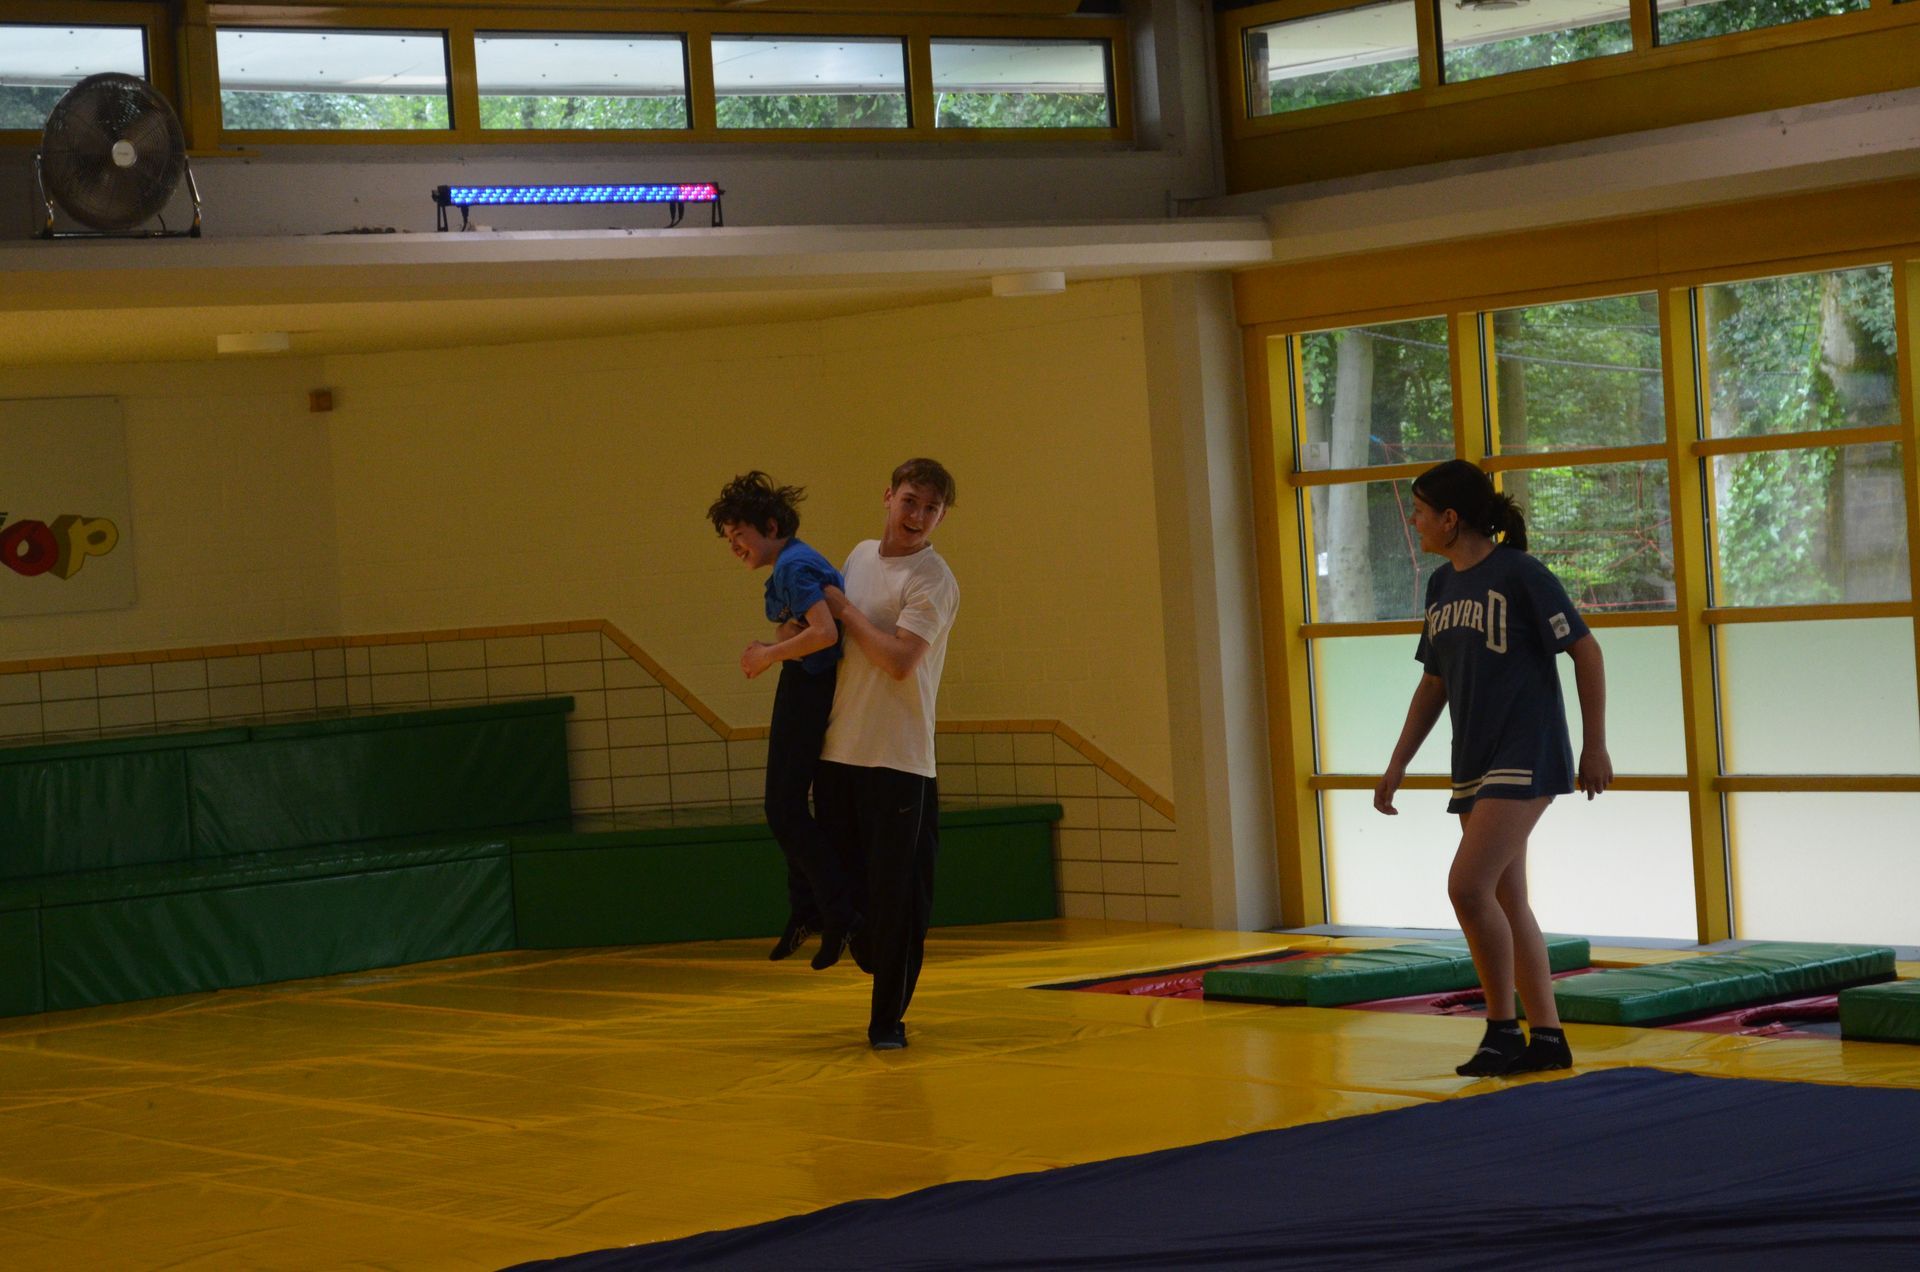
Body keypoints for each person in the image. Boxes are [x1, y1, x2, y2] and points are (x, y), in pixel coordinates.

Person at [1374, 459, 1611, 1078]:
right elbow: (1433, 682)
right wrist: (1397, 763)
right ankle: (1548, 1039)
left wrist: (1594, 745)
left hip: (1526, 751)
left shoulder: (1521, 573)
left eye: (1420, 511)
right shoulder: (1440, 586)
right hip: (1475, 758)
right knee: (1507, 898)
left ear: (1450, 519)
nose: (1414, 522)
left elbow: (1585, 650)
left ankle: (1502, 1028)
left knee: (1467, 887)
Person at [815, 458, 960, 1051]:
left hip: (900, 761)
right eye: (910, 502)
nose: (917, 516)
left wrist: (847, 612)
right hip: (839, 751)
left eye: (931, 509)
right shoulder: (857, 557)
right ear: (888, 497)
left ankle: (886, 1022)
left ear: (942, 517)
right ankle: (863, 944)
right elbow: (826, 633)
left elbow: (900, 660)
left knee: (899, 899)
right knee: (842, 882)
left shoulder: (933, 579)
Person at [707, 471, 859, 971]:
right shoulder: (789, 566)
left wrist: (768, 655)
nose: (734, 547)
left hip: (809, 687)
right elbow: (797, 626)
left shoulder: (794, 565)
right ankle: (810, 911)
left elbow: (824, 633)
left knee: (784, 809)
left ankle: (838, 913)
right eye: (728, 539)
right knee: (783, 806)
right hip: (802, 682)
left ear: (771, 526)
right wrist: (778, 644)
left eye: (739, 535)